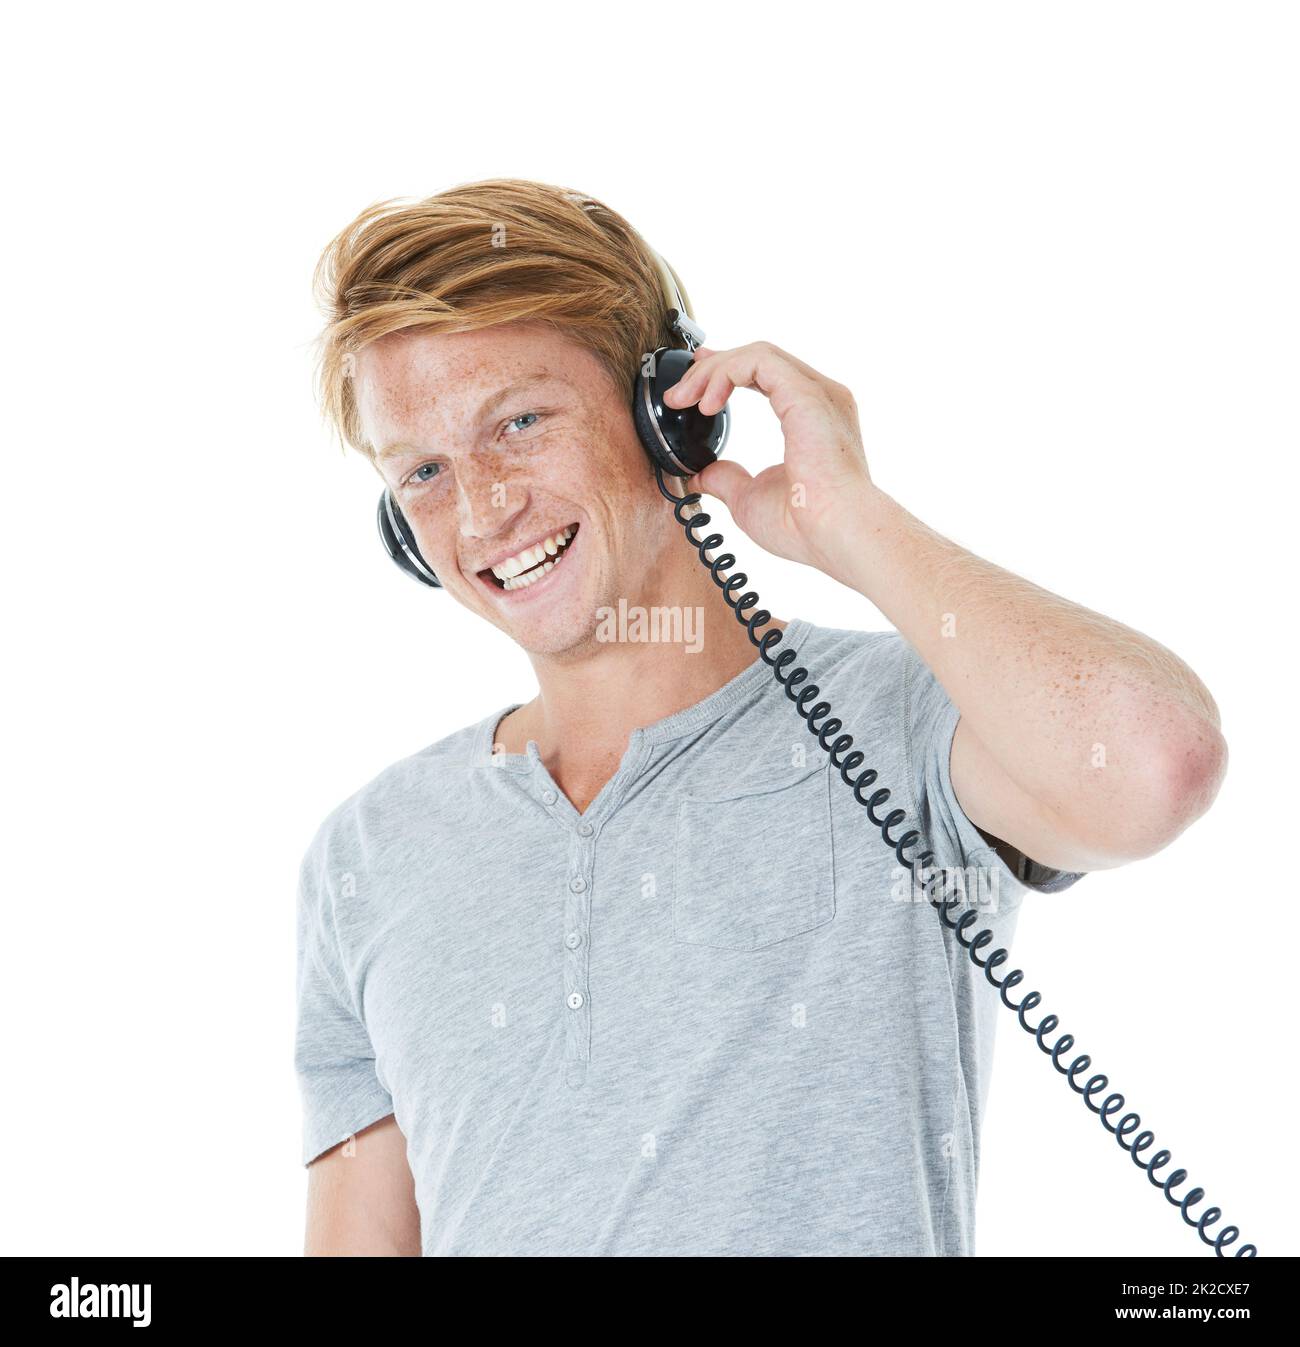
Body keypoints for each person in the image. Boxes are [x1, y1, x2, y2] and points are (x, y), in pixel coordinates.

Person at [295, 178, 1226, 1256]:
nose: (482, 507)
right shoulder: (369, 853)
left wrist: (849, 522)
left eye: (520, 421)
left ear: (669, 412)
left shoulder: (905, 724)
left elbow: (1159, 763)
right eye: (422, 471)